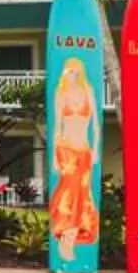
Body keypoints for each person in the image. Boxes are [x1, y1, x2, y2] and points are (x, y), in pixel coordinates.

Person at [45, 57, 99, 253]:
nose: (72, 76)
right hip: (65, 148)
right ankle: (65, 234)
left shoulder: (88, 92)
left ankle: (74, 236)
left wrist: (96, 149)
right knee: (68, 190)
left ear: (80, 73)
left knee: (83, 191)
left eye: (75, 72)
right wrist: (53, 157)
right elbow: (57, 127)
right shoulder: (61, 94)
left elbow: (96, 125)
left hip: (84, 149)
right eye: (69, 72)